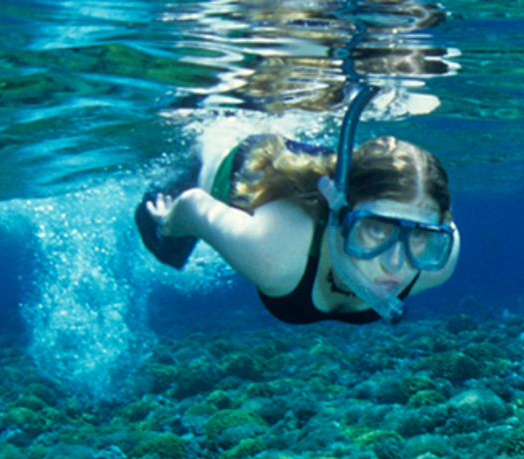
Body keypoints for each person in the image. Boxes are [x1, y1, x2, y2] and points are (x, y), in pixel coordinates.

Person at [135, 90, 459, 325]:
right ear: (340, 214)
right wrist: (167, 222)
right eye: (377, 229)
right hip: (242, 168)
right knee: (163, 245)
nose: (395, 263)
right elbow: (193, 206)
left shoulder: (437, 261)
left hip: (326, 173)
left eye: (418, 235)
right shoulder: (273, 255)